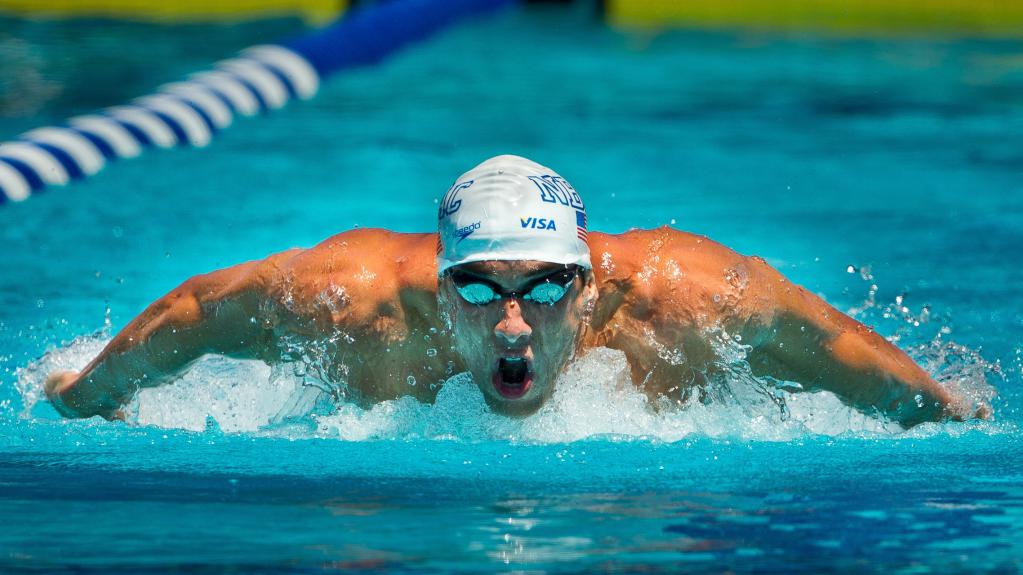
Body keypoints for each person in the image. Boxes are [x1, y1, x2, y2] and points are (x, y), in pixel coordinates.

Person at [45, 155, 989, 427]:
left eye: (543, 288)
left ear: (586, 280)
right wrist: (84, 398)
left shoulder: (695, 300)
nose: (511, 321)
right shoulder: (351, 300)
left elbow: (862, 369)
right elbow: (197, 312)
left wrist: (946, 415)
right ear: (436, 282)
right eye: (479, 288)